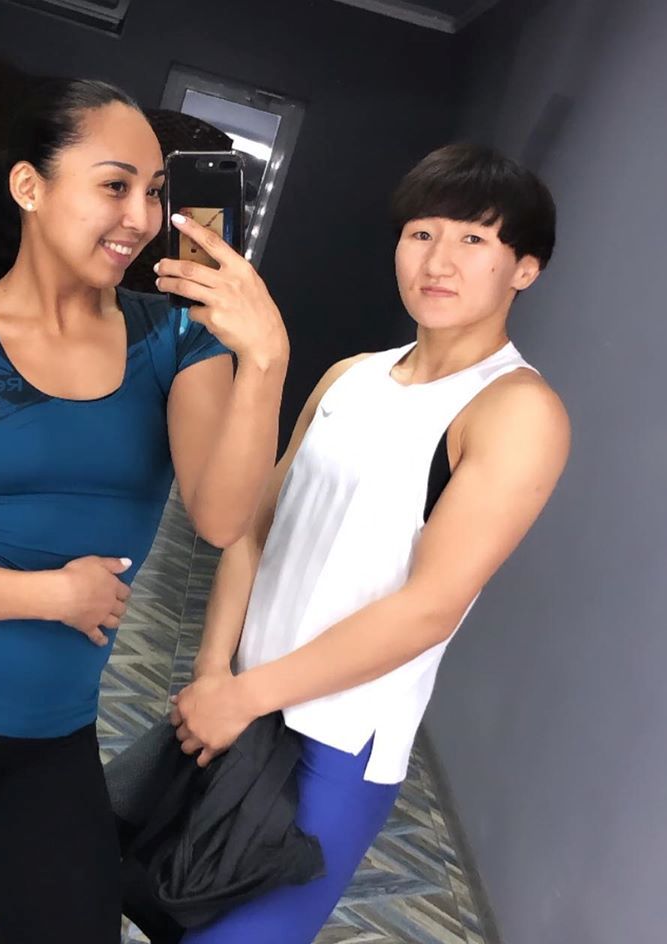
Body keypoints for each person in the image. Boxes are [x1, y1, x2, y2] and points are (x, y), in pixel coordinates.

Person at [0, 78, 290, 944]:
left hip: (49, 737)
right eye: (115, 186)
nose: (141, 217)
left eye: (155, 192)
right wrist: (52, 595)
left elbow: (222, 519)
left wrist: (265, 360)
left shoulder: (175, 340)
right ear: (29, 186)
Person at [169, 143, 571, 943]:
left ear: (525, 269)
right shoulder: (349, 376)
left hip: (337, 746)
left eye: (474, 239)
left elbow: (429, 608)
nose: (438, 261)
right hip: (239, 710)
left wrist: (242, 696)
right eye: (422, 234)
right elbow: (252, 527)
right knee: (175, 913)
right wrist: (216, 672)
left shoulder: (517, 412)